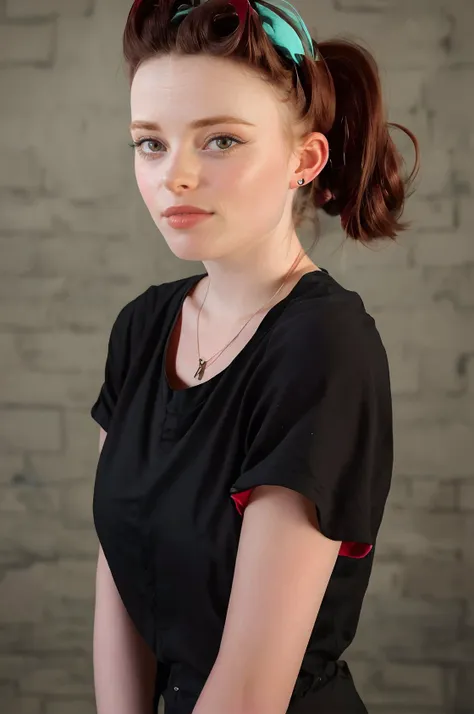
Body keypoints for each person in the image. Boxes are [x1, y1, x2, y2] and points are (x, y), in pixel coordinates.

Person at [91, 1, 419, 713]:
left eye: (220, 142)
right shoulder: (143, 327)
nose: (173, 176)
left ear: (305, 159)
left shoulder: (324, 347)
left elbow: (250, 691)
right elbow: (120, 569)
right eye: (151, 142)